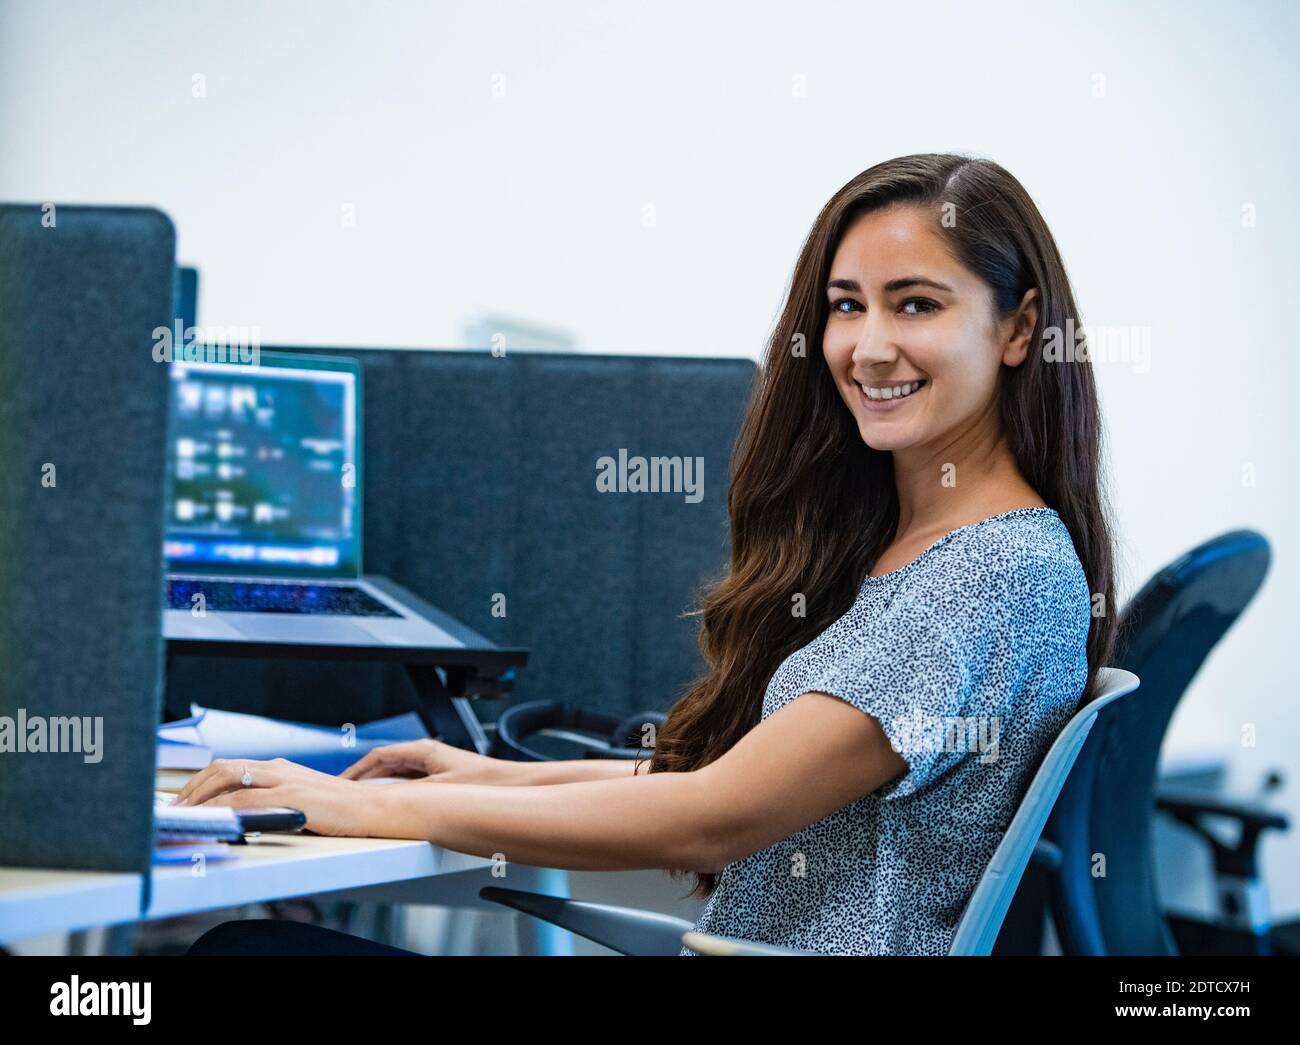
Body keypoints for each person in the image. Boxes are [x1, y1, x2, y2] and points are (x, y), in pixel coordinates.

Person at [183, 152, 1118, 957]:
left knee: (244, 952)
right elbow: (727, 781)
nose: (868, 347)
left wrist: (379, 809)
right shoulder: (928, 552)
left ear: (1019, 328)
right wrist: (486, 774)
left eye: (915, 303)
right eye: (846, 306)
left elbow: (717, 813)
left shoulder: (990, 576)